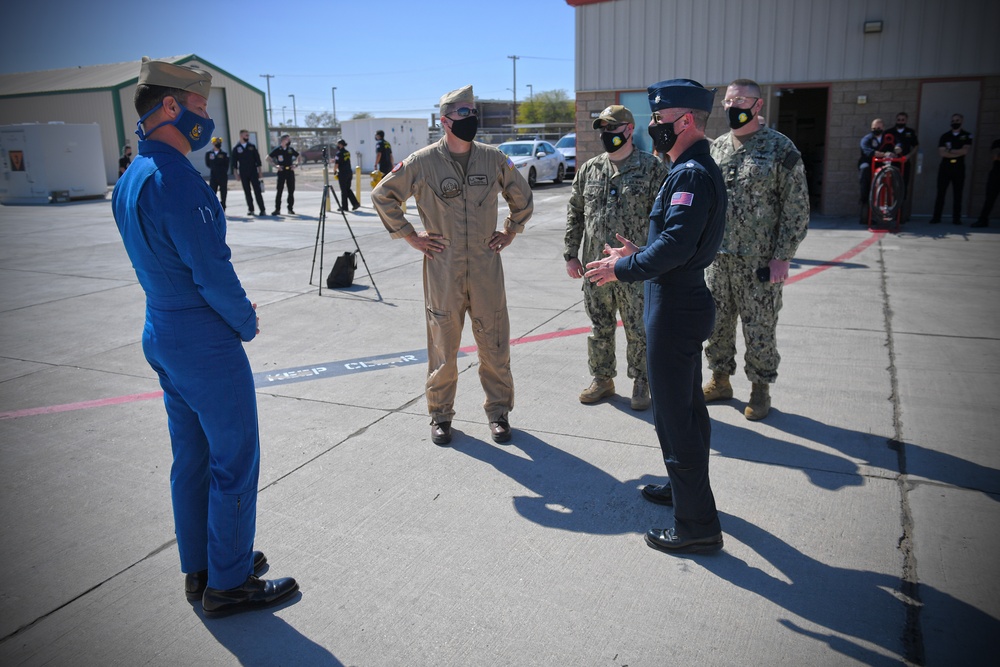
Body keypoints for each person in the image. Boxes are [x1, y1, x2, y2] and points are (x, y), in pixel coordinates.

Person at [111, 57, 297, 617]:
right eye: (198, 107)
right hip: (203, 341)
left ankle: (203, 568)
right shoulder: (176, 179)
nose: (204, 118)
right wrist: (244, 320)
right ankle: (231, 583)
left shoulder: (131, 176)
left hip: (162, 330)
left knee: (190, 458)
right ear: (170, 107)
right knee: (234, 459)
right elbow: (211, 269)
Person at [584, 79, 726, 555]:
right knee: (685, 409)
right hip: (677, 297)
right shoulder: (688, 167)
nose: (652, 128)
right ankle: (682, 490)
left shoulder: (690, 173)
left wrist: (623, 266)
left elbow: (678, 246)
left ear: (685, 121)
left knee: (675, 419)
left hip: (676, 305)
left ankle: (697, 526)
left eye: (659, 121)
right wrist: (642, 252)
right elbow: (676, 246)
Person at [371, 85, 533, 446]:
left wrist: (511, 230)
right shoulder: (421, 162)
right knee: (444, 346)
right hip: (443, 269)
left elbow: (521, 195)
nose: (470, 118)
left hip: (486, 267)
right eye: (462, 113)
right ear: (444, 121)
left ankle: (499, 413)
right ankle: (440, 416)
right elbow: (383, 195)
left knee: (493, 343)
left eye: (472, 112)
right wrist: (411, 235)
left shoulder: (494, 158)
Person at [703, 78, 810, 421]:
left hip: (759, 261)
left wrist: (783, 255)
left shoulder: (781, 149)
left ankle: (760, 390)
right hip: (717, 259)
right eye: (728, 101)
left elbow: (797, 207)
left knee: (759, 327)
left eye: (740, 101)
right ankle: (720, 380)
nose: (733, 106)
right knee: (716, 324)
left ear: (758, 106)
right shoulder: (716, 148)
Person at [565, 104, 668, 411]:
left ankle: (641, 381)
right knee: (600, 326)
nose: (607, 135)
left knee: (639, 328)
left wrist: (656, 259)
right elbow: (575, 211)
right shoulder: (590, 169)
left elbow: (665, 220)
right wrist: (571, 254)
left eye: (612, 129)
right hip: (596, 266)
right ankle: (602, 378)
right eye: (603, 130)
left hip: (633, 268)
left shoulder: (652, 169)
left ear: (628, 130)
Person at [930, 114, 974, 225]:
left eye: (957, 120)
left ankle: (956, 219)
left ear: (961, 121)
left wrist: (950, 151)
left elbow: (965, 151)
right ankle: (936, 217)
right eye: (953, 120)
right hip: (945, 167)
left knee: (958, 193)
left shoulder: (967, 135)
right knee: (941, 193)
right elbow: (942, 153)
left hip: (959, 168)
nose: (955, 122)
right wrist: (956, 152)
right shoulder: (945, 136)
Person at [858, 118, 894, 223]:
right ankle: (865, 214)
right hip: (869, 165)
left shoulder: (888, 138)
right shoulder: (867, 139)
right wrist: (880, 154)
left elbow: (896, 145)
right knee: (865, 180)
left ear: (883, 127)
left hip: (883, 167)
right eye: (874, 128)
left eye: (878, 128)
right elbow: (866, 150)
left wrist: (896, 150)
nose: (876, 129)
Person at [886, 111, 919, 212]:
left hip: (904, 163)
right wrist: (889, 154)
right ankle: (890, 210)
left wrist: (908, 156)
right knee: (890, 185)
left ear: (906, 121)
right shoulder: (889, 132)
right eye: (898, 120)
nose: (900, 121)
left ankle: (901, 212)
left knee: (903, 185)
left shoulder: (910, 132)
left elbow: (916, 146)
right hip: (892, 163)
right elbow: (884, 147)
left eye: (902, 120)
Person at [233, 128, 266, 216]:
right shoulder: (236, 148)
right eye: (246, 135)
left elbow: (258, 160)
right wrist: (236, 174)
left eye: (248, 135)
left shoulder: (252, 146)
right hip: (243, 173)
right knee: (247, 191)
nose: (247, 137)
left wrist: (260, 171)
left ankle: (262, 209)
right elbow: (234, 162)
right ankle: (251, 209)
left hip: (253, 172)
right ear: (241, 136)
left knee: (257, 191)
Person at [267, 134, 298, 215]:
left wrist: (296, 165)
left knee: (291, 191)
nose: (289, 141)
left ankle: (290, 209)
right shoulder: (278, 149)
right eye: (288, 139)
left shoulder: (290, 149)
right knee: (279, 191)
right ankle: (277, 209)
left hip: (290, 171)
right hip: (281, 171)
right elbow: (268, 158)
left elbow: (298, 156)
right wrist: (275, 166)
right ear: (283, 140)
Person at [973, 138, 1000, 228]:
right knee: (990, 199)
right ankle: (983, 220)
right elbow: (994, 157)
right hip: (996, 175)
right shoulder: (997, 142)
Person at [332, 139, 361, 211]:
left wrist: (334, 171)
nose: (337, 146)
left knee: (343, 190)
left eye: (338, 144)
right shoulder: (347, 152)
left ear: (341, 145)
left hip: (343, 173)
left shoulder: (339, 153)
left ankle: (345, 207)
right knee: (347, 189)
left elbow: (337, 164)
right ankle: (355, 203)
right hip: (349, 172)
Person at [205, 137, 229, 209]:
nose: (218, 144)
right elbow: (208, 163)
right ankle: (214, 207)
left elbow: (227, 164)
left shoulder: (224, 154)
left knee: (223, 192)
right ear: (213, 143)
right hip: (213, 176)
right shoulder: (209, 153)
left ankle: (223, 206)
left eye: (219, 142)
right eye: (216, 142)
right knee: (212, 192)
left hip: (223, 176)